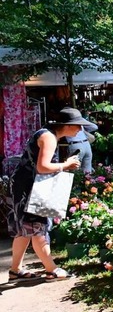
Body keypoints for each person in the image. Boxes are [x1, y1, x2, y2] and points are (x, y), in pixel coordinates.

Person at [7, 107, 87, 281]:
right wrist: (66, 165)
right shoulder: (49, 138)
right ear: (67, 125)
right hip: (31, 188)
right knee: (38, 229)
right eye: (78, 126)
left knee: (24, 230)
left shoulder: (46, 134)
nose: (80, 130)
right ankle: (52, 269)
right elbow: (42, 167)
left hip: (24, 186)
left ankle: (15, 270)